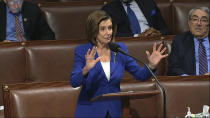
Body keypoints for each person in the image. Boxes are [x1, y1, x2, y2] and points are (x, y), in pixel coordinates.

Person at [70, 10, 168, 118]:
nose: (108, 32)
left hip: (114, 111)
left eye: (110, 28)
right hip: (90, 111)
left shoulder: (119, 49)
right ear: (94, 31)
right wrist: (86, 69)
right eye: (103, 29)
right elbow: (74, 82)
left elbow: (140, 75)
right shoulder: (83, 51)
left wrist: (151, 65)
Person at [167, 7, 210, 76]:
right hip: (189, 83)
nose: (199, 23)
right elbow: (173, 68)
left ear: (209, 25)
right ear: (189, 23)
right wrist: (190, 79)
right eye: (195, 19)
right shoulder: (179, 41)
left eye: (204, 20)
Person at [102, 0, 171, 37]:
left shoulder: (148, 3)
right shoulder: (109, 9)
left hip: (154, 40)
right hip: (130, 46)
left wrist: (158, 33)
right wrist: (137, 36)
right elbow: (109, 34)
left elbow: (166, 29)